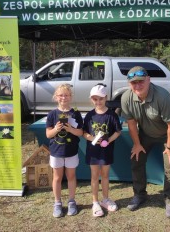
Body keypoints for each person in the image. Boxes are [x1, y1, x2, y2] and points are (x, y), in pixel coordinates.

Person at [120, 66, 170, 219]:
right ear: (129, 84)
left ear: (148, 80)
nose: (138, 85)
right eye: (134, 83)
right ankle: (140, 195)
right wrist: (137, 144)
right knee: (136, 158)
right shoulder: (126, 98)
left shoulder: (162, 96)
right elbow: (132, 123)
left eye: (141, 81)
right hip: (146, 133)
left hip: (168, 135)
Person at [83, 84, 122, 217]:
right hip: (93, 151)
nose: (98, 102)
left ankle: (105, 199)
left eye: (100, 98)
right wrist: (92, 138)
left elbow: (118, 132)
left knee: (105, 175)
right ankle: (95, 202)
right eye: (95, 99)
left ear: (106, 98)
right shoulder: (89, 115)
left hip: (107, 151)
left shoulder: (112, 115)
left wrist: (108, 140)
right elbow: (84, 133)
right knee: (94, 176)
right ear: (91, 100)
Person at [46, 84, 84, 218]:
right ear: (56, 97)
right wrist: (56, 129)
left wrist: (70, 129)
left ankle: (72, 201)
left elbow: (80, 133)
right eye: (61, 95)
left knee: (71, 177)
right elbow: (48, 135)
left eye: (66, 95)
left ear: (71, 97)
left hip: (71, 151)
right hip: (56, 151)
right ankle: (57, 203)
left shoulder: (75, 113)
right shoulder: (52, 114)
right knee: (57, 178)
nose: (64, 97)